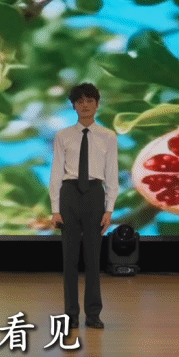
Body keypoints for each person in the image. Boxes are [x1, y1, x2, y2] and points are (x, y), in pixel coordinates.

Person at [49, 83, 119, 329]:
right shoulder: (63, 136)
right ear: (73, 106)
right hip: (69, 194)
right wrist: (55, 208)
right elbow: (56, 172)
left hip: (94, 194)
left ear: (97, 104)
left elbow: (112, 174)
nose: (85, 105)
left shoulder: (108, 136)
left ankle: (93, 314)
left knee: (93, 258)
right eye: (80, 101)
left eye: (90, 100)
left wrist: (109, 209)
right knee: (69, 260)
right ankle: (70, 315)